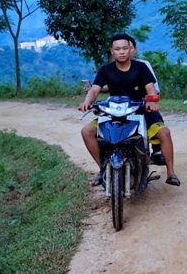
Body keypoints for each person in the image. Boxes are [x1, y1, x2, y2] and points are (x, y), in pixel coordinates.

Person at [78, 33, 181, 187]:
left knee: (164, 133)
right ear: (112, 51)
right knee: (87, 131)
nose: (121, 52)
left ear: (131, 50)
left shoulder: (141, 67)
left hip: (140, 110)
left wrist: (152, 101)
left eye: (125, 48)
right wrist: (87, 102)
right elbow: (94, 90)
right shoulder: (106, 70)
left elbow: (151, 89)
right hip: (113, 112)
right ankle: (103, 169)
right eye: (117, 49)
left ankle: (171, 173)